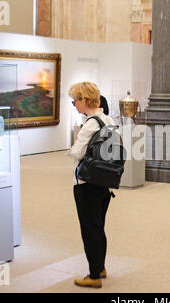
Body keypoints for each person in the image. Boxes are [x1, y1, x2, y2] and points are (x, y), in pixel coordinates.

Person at [68, 82, 115, 288]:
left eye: (75, 101)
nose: (74, 105)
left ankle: (94, 274)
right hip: (104, 181)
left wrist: (75, 143)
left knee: (89, 228)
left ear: (85, 100)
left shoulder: (89, 124)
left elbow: (76, 153)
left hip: (86, 183)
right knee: (98, 226)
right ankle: (100, 266)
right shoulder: (107, 119)